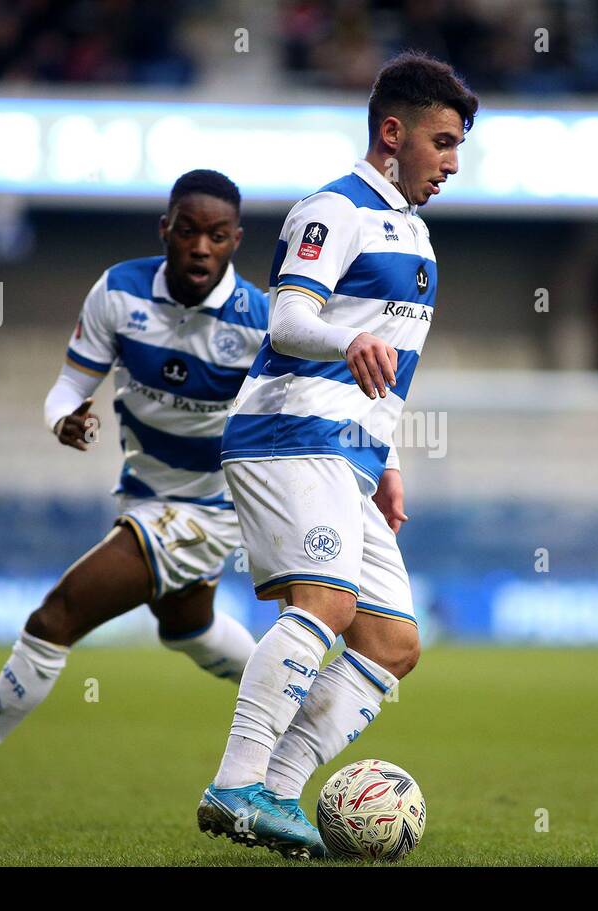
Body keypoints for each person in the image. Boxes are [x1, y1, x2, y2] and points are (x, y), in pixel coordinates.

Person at [0, 170, 269, 829]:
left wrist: (376, 470)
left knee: (55, 618)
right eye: (188, 230)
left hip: (210, 512)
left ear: (235, 241)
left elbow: (314, 403)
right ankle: (291, 692)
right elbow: (66, 388)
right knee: (186, 629)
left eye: (217, 236)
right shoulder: (119, 291)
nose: (200, 247)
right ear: (165, 228)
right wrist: (64, 419)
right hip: (143, 495)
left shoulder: (260, 322)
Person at [196, 52, 477, 859]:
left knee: (392, 645)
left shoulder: (416, 236)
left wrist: (387, 464)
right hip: (288, 434)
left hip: (350, 455)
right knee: (324, 605)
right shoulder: (335, 209)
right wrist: (345, 336)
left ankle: (275, 792)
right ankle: (235, 782)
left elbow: (387, 373)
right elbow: (287, 320)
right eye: (443, 143)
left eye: (459, 148)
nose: (452, 164)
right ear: (393, 133)